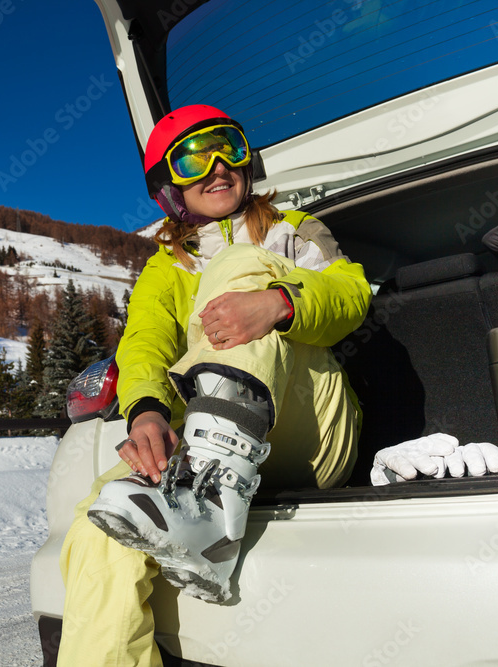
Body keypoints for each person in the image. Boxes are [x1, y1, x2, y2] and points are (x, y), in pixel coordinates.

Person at [56, 104, 372, 667]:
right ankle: (206, 495)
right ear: (168, 186)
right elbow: (145, 345)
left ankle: (212, 506)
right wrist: (147, 413)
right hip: (207, 438)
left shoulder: (294, 231)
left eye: (228, 146)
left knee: (241, 266)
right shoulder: (165, 267)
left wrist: (279, 303)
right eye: (194, 157)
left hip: (313, 427)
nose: (218, 166)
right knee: (99, 525)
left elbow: (352, 296)